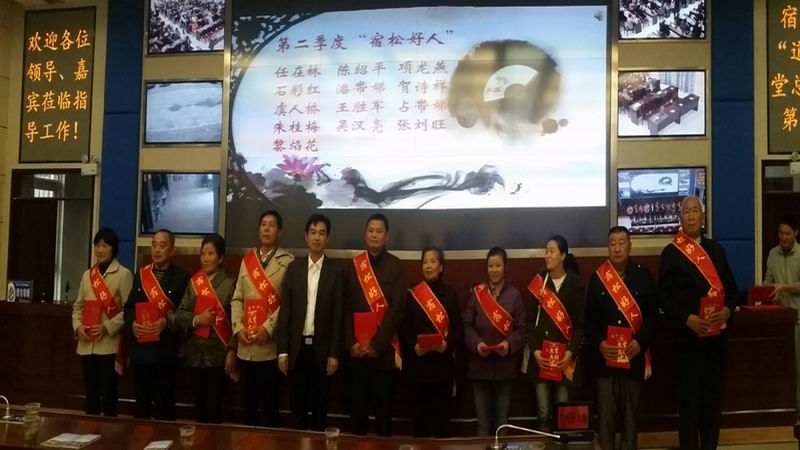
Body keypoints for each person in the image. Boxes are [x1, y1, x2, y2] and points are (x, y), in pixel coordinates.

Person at [659, 196, 738, 450]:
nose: (691, 216)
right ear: (680, 218)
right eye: (687, 212)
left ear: (703, 217)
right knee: (690, 405)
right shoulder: (671, 253)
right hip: (688, 342)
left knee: (712, 404)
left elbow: (732, 290)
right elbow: (664, 297)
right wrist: (687, 319)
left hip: (716, 342)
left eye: (696, 211)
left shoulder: (717, 250)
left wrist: (727, 311)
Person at [586, 226, 658, 450]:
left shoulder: (643, 276)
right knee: (605, 420)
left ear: (629, 246)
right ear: (607, 247)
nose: (617, 248)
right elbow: (589, 321)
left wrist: (640, 342)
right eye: (612, 243)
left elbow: (655, 316)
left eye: (621, 243)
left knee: (630, 421)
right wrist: (600, 344)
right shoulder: (598, 278)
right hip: (605, 363)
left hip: (633, 360)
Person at [277, 213, 344, 431]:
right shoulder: (294, 268)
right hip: (297, 351)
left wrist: (334, 353)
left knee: (319, 412)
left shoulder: (336, 271)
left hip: (322, 351)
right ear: (306, 236)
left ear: (328, 238)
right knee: (297, 411)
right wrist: (283, 351)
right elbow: (286, 312)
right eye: (313, 232)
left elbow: (338, 316)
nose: (317, 237)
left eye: (321, 233)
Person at [344, 213, 406, 436]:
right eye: (370, 230)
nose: (374, 235)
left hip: (384, 356)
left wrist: (377, 345)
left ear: (386, 236)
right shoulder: (353, 266)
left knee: (383, 419)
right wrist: (351, 343)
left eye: (379, 231)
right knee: (357, 418)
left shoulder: (396, 266)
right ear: (365, 234)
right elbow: (344, 307)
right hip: (357, 355)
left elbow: (397, 309)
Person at [230, 210, 294, 427]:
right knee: (248, 409)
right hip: (245, 347)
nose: (266, 229)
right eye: (263, 224)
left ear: (279, 231)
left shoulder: (288, 262)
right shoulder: (247, 260)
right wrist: (238, 328)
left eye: (272, 225)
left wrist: (268, 327)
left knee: (269, 411)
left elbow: (288, 303)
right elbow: (237, 297)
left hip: (269, 348)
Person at [123, 229, 190, 421]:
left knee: (164, 408)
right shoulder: (141, 275)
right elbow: (129, 307)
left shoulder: (182, 277)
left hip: (165, 351)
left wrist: (166, 322)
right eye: (154, 245)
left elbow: (185, 313)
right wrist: (132, 323)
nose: (157, 250)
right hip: (141, 351)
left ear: (172, 250)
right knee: (141, 407)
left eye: (162, 245)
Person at [400, 246, 464, 437]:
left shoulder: (450, 293)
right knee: (419, 426)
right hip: (418, 369)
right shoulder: (413, 294)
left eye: (433, 261)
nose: (428, 266)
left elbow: (458, 329)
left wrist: (446, 345)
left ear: (441, 267)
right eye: (425, 262)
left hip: (442, 369)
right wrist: (414, 346)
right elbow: (404, 329)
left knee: (440, 426)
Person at [172, 234, 237, 423]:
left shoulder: (230, 284)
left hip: (218, 356)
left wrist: (232, 350)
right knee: (199, 411)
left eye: (210, 254)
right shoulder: (194, 283)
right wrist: (197, 319)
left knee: (214, 410)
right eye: (203, 254)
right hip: (195, 355)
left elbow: (236, 321)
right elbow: (180, 314)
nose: (205, 258)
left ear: (221, 258)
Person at [464, 247, 525, 437]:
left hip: (504, 368)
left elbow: (521, 329)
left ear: (505, 267)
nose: (494, 270)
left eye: (498, 265)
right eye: (490, 266)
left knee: (502, 423)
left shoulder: (514, 295)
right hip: (479, 367)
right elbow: (467, 325)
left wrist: (509, 345)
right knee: (482, 424)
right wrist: (476, 344)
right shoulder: (478, 293)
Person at [525, 235, 584, 432]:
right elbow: (529, 321)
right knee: (543, 412)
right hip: (541, 359)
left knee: (563, 413)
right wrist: (535, 351)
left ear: (563, 255)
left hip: (564, 361)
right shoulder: (539, 283)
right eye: (546, 251)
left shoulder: (575, 284)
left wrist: (570, 353)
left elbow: (580, 326)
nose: (547, 255)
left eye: (552, 251)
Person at [71, 227, 133, 416]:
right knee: (90, 395)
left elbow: (128, 310)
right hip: (86, 344)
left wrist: (107, 327)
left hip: (109, 345)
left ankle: (108, 432)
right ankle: (89, 430)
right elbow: (78, 306)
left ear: (114, 248)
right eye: (97, 246)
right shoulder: (87, 275)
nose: (100, 250)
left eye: (105, 246)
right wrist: (78, 326)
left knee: (108, 394)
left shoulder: (123, 274)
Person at [763, 213, 800, 414]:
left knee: (798, 368)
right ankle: (783, 412)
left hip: (797, 318)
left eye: (787, 233)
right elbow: (768, 281)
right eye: (780, 233)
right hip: (778, 320)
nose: (783, 237)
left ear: (796, 233)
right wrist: (763, 290)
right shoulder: (772, 254)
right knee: (780, 368)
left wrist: (784, 287)